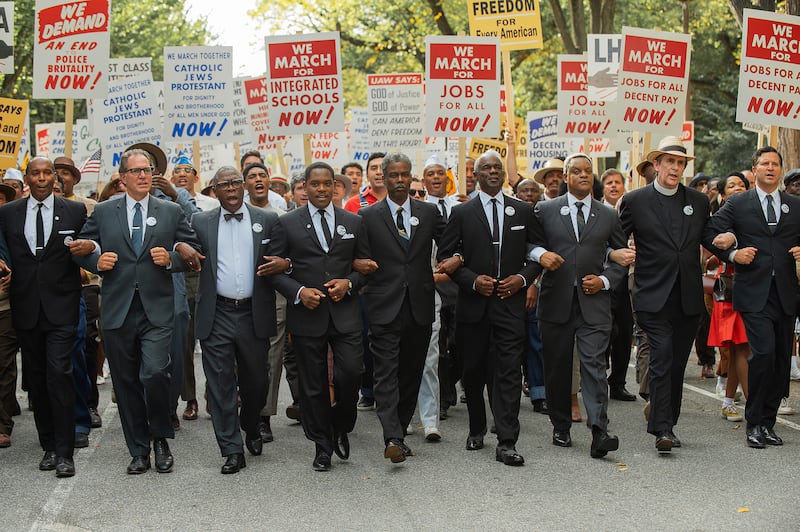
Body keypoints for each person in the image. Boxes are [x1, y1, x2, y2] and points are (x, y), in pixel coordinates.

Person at [72, 149, 202, 474]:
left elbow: (193, 252)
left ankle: (160, 437)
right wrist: (94, 262)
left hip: (157, 309)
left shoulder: (170, 211)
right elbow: (82, 247)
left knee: (155, 372)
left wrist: (171, 260)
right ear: (123, 177)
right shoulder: (103, 211)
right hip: (117, 309)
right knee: (127, 381)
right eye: (137, 171)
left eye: (148, 170)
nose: (144, 176)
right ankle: (139, 449)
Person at [437, 150, 539, 466]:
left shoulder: (523, 211)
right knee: (473, 370)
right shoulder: (462, 213)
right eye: (487, 168)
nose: (493, 171)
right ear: (477, 175)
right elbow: (446, 256)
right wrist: (471, 280)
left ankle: (507, 440)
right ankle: (477, 426)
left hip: (510, 306)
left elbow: (537, 254)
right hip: (473, 307)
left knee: (508, 372)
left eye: (498, 167)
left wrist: (522, 280)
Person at [265, 162, 369, 471]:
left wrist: (349, 283)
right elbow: (272, 271)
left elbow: (364, 268)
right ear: (305, 188)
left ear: (335, 187)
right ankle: (322, 445)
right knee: (313, 386)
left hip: (345, 313)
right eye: (315, 184)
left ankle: (341, 423)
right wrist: (298, 292)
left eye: (327, 184)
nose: (321, 189)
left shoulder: (354, 222)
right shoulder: (286, 223)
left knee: (350, 374)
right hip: (308, 315)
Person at [530, 153, 628, 458]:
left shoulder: (608, 215)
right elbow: (528, 244)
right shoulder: (545, 210)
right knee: (558, 368)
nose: (583, 175)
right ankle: (560, 425)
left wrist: (605, 281)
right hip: (556, 302)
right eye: (576, 171)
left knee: (595, 367)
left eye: (588, 171)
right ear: (566, 177)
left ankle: (600, 429)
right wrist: (539, 255)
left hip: (594, 303)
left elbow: (622, 256)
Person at [703, 146, 800, 449]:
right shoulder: (739, 204)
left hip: (786, 294)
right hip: (754, 294)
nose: (770, 168)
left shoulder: (794, 205)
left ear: (780, 170)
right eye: (765, 164)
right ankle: (754, 422)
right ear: (754, 169)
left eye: (775, 164)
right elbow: (708, 233)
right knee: (764, 354)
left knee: (782, 360)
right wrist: (732, 253)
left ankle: (768, 423)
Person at [618, 135, 710, 454]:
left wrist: (731, 247)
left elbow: (709, 236)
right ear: (656, 165)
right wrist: (616, 256)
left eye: (680, 163)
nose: (675, 167)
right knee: (662, 356)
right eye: (669, 161)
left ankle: (668, 421)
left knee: (676, 365)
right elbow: (615, 237)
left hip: (687, 298)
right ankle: (662, 428)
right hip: (651, 295)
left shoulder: (698, 201)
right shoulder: (635, 200)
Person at [0, 157, 88, 477]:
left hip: (63, 307)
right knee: (36, 381)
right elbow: (2, 248)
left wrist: (90, 250)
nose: (41, 178)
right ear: (27, 178)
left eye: (46, 173)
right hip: (25, 308)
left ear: (55, 178)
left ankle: (65, 453)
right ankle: (49, 445)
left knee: (59, 374)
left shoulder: (75, 211)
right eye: (35, 173)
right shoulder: (7, 213)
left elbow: (89, 248)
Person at [192, 166, 283, 474]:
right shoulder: (200, 222)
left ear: (244, 187)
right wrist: (176, 252)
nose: (230, 189)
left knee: (257, 380)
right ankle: (231, 449)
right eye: (223, 185)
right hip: (216, 313)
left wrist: (288, 263)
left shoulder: (268, 220)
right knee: (219, 384)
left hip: (252, 313)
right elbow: (187, 253)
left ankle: (252, 423)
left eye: (234, 183)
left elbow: (286, 258)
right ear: (213, 191)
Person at [358, 153, 446, 462]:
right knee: (385, 373)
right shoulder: (368, 216)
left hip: (420, 305)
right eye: (393, 175)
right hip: (383, 305)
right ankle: (392, 437)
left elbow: (450, 244)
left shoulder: (429, 212)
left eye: (404, 175)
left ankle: (401, 426)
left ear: (411, 177)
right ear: (383, 177)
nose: (399, 180)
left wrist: (455, 260)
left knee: (411, 371)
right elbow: (357, 255)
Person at [704, 172, 750, 423]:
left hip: (754, 287)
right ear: (722, 194)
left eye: (742, 185)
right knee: (738, 347)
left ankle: (729, 400)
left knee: (739, 349)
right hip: (731, 290)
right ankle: (754, 406)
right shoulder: (721, 220)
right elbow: (710, 246)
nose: (738, 188)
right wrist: (731, 246)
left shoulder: (755, 213)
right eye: (731, 185)